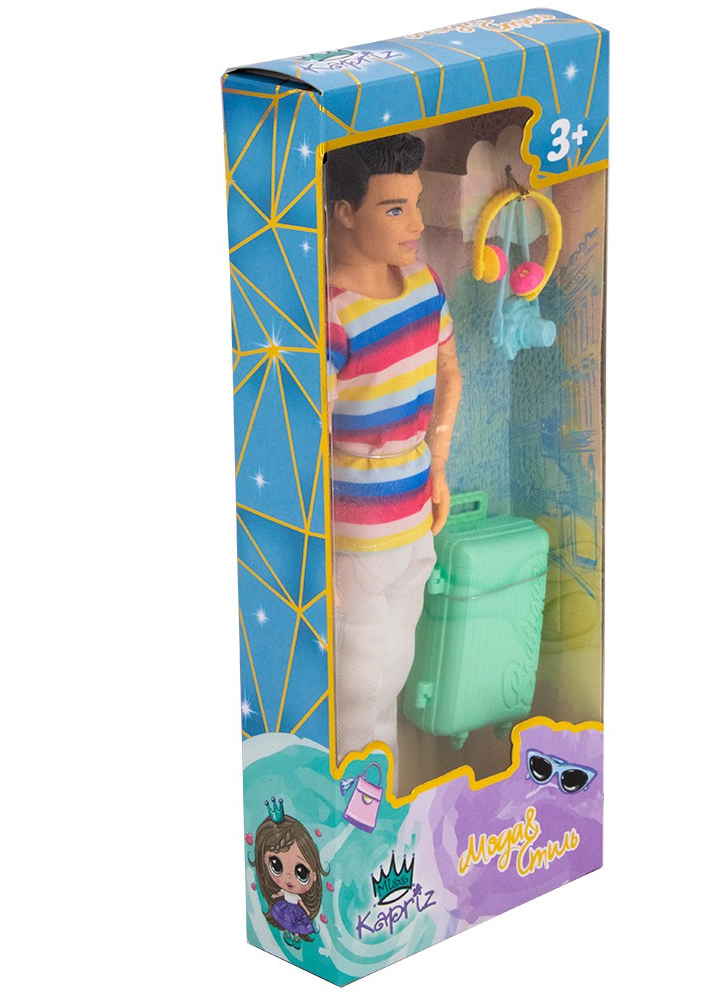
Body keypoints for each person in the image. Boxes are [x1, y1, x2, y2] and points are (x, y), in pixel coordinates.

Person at [325, 133, 462, 771]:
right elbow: (308, 436)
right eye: (394, 208)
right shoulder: (331, 318)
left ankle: (386, 811)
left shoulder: (422, 284)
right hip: (358, 535)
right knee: (360, 689)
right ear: (345, 212)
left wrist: (438, 466)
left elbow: (448, 370)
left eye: (417, 202)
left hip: (414, 517)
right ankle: (354, 811)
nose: (418, 223)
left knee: (394, 675)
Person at [250, 799, 329, 951]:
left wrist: (307, 911)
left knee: (296, 925)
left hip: (296, 911)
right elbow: (280, 893)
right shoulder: (283, 890)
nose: (288, 878)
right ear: (264, 861)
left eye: (301, 872)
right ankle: (288, 934)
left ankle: (296, 937)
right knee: (286, 922)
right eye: (276, 865)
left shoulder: (298, 896)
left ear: (314, 875)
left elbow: (302, 903)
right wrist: (275, 895)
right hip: (285, 909)